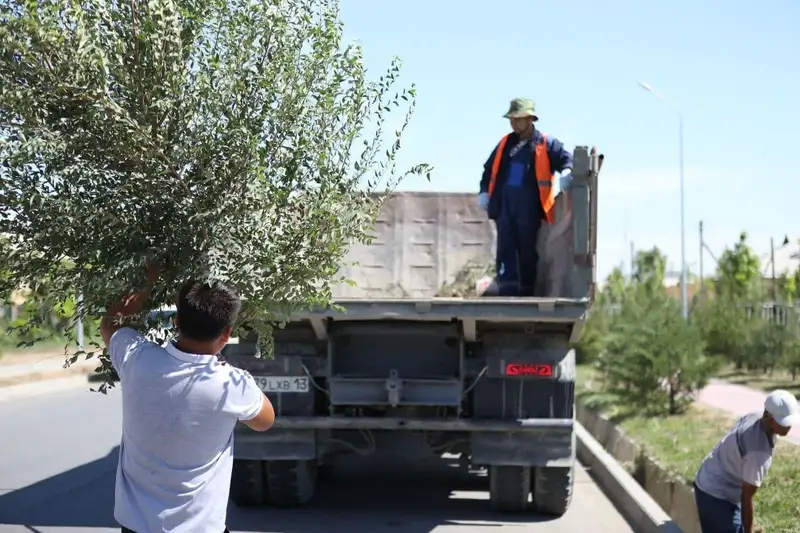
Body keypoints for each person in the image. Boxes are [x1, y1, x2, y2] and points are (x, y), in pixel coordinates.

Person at [100, 263, 276, 533]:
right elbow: (265, 420)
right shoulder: (233, 384)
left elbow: (111, 324)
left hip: (136, 527)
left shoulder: (137, 359)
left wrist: (147, 279)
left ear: (176, 322)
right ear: (227, 334)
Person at [477, 98, 574, 296]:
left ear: (529, 119)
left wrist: (566, 172)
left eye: (517, 119)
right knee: (505, 250)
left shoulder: (545, 143)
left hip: (528, 209)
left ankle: (527, 294)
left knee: (527, 252)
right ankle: (507, 293)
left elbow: (566, 159)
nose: (513, 123)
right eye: (511, 119)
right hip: (505, 208)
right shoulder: (505, 144)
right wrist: (484, 191)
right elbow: (488, 170)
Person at [693, 389, 800, 533]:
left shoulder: (755, 415)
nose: (788, 427)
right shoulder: (758, 451)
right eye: (783, 422)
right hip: (716, 495)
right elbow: (746, 496)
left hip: (708, 476)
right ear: (768, 417)